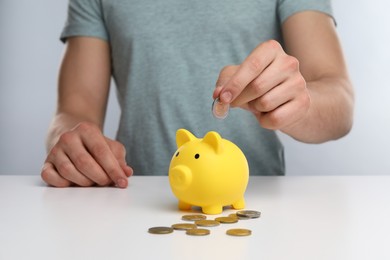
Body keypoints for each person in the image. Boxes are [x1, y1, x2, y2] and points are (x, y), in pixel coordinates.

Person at [41, 0, 354, 188]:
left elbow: (338, 101)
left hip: (254, 209)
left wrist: (293, 104)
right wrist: (71, 142)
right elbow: (75, 108)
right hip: (135, 202)